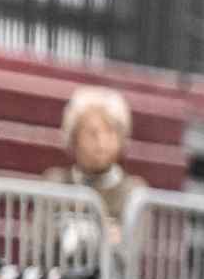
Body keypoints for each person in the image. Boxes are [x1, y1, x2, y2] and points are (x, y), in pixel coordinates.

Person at [43, 84, 136, 243]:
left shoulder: (132, 191)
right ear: (73, 138)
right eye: (92, 133)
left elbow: (128, 252)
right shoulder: (54, 182)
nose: (101, 143)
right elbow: (39, 242)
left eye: (110, 133)